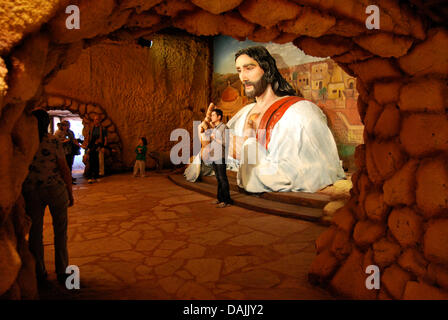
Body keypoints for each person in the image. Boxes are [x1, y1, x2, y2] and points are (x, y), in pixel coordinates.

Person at [186, 46, 344, 193]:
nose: (243, 77)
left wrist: (246, 152)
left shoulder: (299, 113)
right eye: (239, 70)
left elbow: (307, 173)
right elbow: (221, 164)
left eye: (249, 68)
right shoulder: (243, 113)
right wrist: (207, 143)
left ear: (267, 70)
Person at [22, 109, 74, 286]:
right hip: (55, 189)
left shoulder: (25, 142)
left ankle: (39, 273)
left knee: (35, 233)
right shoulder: (53, 141)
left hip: (32, 191)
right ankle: (62, 272)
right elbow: (64, 167)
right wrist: (70, 190)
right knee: (61, 231)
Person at [203, 108, 233, 208]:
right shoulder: (215, 128)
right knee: (218, 179)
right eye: (211, 115)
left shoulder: (225, 127)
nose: (211, 117)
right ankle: (220, 198)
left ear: (219, 117)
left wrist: (214, 138)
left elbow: (226, 143)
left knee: (222, 178)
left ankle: (227, 200)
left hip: (221, 156)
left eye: (213, 115)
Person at [83, 114, 107, 183]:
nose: (96, 121)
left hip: (99, 146)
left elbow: (105, 139)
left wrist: (103, 147)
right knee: (91, 161)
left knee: (99, 161)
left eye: (97, 119)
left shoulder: (102, 129)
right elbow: (89, 138)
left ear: (99, 120)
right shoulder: (91, 129)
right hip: (92, 146)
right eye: (95, 119)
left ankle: (99, 174)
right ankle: (90, 175)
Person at [62, 120, 81, 184]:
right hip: (64, 152)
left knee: (70, 165)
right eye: (65, 125)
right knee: (65, 166)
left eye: (68, 125)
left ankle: (69, 177)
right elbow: (57, 142)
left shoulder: (70, 132)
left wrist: (78, 144)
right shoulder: (59, 133)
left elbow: (74, 139)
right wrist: (64, 141)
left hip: (70, 151)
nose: (67, 127)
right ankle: (66, 179)